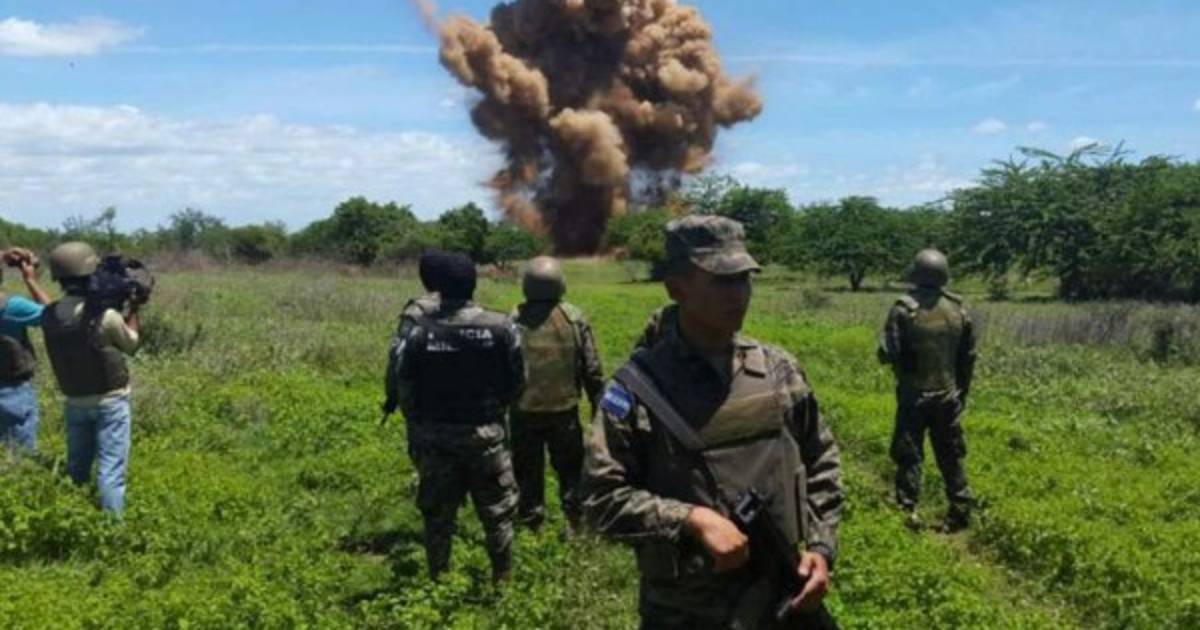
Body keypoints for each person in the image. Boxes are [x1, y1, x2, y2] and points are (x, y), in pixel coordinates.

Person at [581, 216, 844, 629]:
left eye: (744, 279)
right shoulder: (636, 390)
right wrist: (690, 520)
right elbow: (599, 499)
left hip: (784, 593)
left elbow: (821, 459)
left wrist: (821, 548)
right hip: (687, 611)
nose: (739, 294)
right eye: (722, 281)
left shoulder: (779, 369)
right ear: (676, 288)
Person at [393, 252, 524, 582]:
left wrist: (422, 425)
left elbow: (405, 385)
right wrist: (495, 413)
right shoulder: (502, 327)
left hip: (435, 438)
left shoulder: (419, 331)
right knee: (498, 513)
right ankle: (502, 581)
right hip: (486, 435)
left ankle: (439, 579)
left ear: (438, 288)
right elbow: (518, 382)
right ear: (473, 284)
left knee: (437, 515)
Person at [878, 248, 977, 532]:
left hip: (914, 396)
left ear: (917, 273)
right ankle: (960, 510)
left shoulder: (903, 309)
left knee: (909, 455)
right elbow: (968, 357)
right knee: (951, 455)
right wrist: (961, 392)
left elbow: (888, 353)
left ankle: (907, 510)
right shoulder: (958, 310)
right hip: (949, 395)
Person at [40, 242, 142, 514]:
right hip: (111, 401)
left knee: (77, 467)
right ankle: (112, 527)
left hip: (74, 401)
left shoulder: (49, 314)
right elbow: (132, 344)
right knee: (111, 471)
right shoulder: (105, 316)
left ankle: (72, 514)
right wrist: (133, 310)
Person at [509, 256, 604, 534]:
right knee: (571, 470)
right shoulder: (574, 318)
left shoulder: (513, 319)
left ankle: (532, 523)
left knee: (527, 470)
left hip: (523, 412)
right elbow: (592, 368)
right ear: (560, 285)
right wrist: (598, 406)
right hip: (564, 412)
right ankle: (575, 521)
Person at [382, 250, 446, 436]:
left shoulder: (417, 311)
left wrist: (392, 397)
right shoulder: (468, 308)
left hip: (423, 403)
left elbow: (397, 356)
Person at [0, 248, 51, 453]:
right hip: (12, 390)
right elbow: (56, 316)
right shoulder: (12, 308)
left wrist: (4, 255)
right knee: (19, 456)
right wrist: (30, 280)